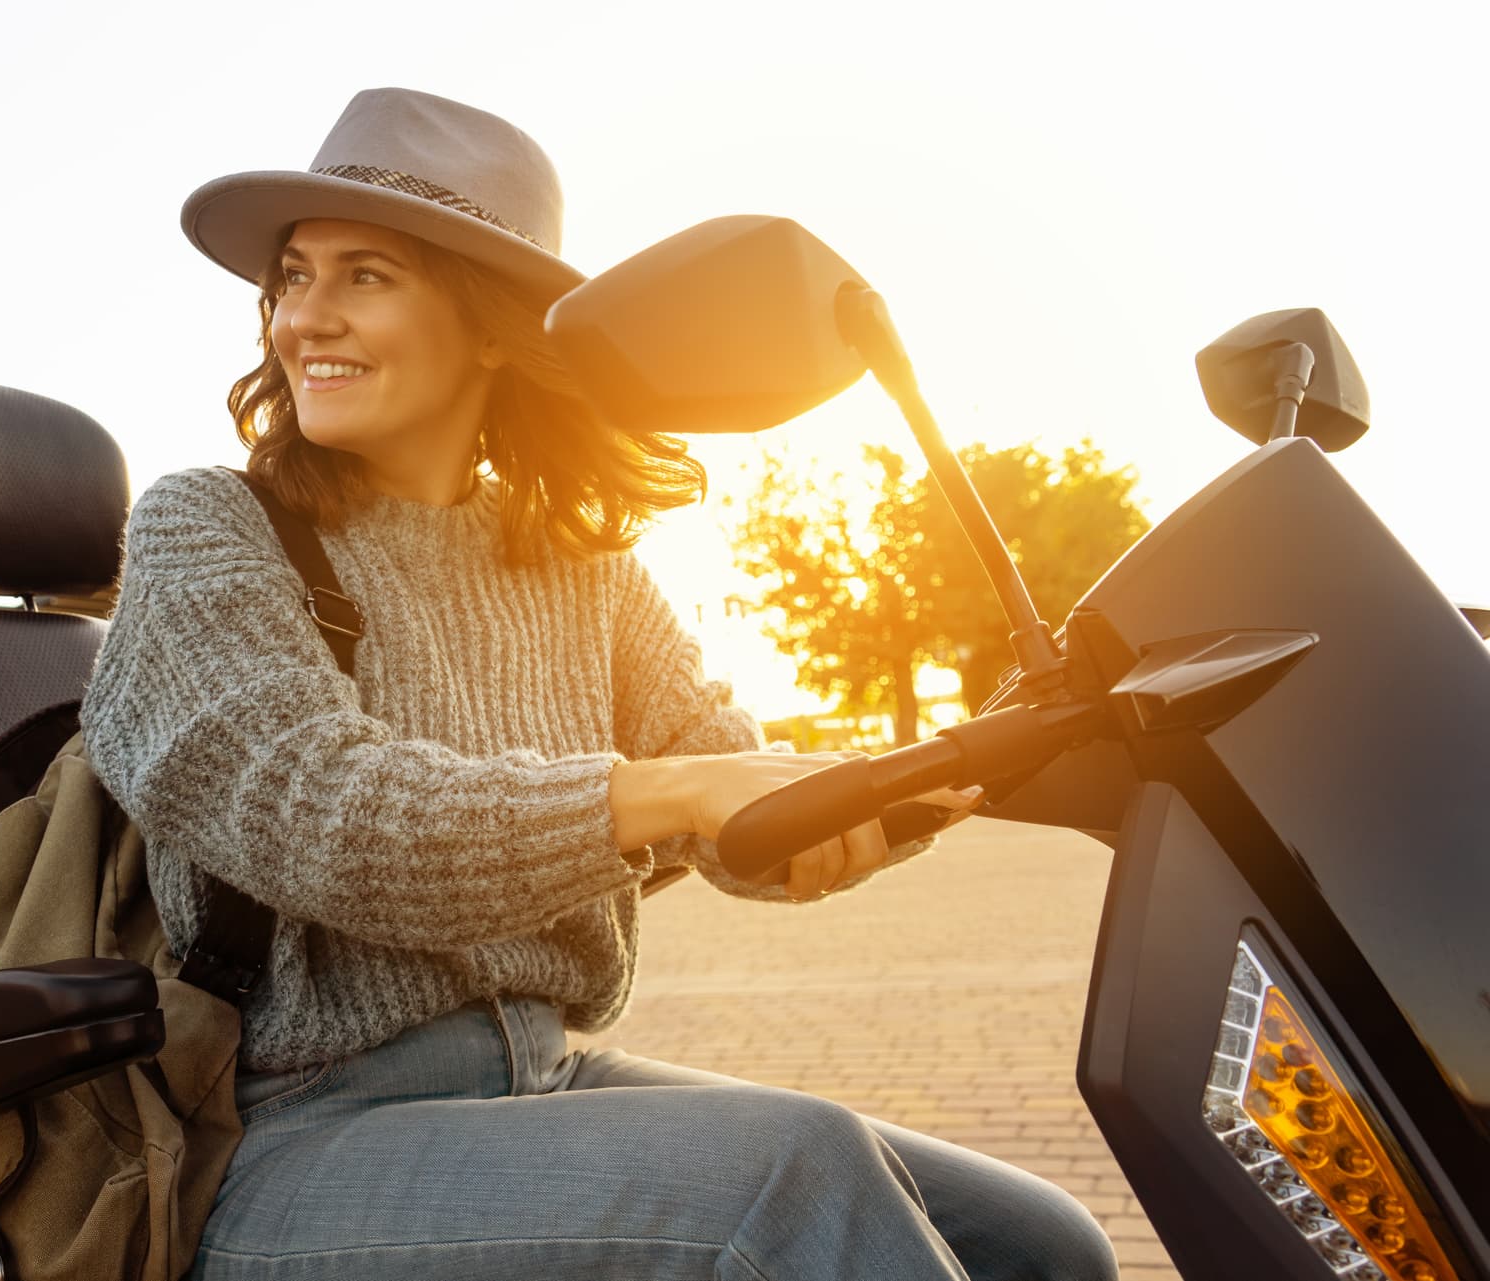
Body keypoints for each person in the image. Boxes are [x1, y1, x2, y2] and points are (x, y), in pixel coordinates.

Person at [78, 86, 1119, 1280]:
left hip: (538, 1073)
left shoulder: (582, 569)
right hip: (279, 1134)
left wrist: (880, 800)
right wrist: (670, 794)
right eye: (295, 276)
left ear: (487, 324)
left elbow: (727, 791)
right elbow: (319, 811)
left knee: (1045, 1243)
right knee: (791, 1179)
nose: (304, 317)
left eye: (364, 275)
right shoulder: (207, 527)